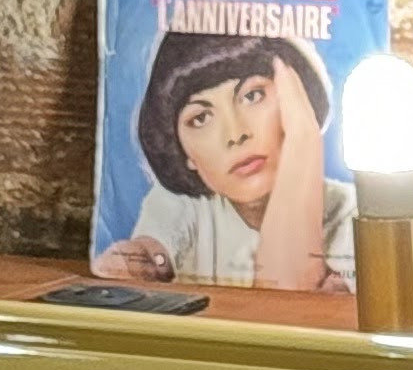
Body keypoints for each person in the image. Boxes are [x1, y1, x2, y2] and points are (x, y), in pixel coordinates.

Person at [96, 32, 355, 292]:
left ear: (296, 100)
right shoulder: (184, 204)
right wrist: (137, 262)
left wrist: (303, 137)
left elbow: (285, 293)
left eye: (252, 95)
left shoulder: (352, 214)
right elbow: (150, 253)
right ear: (184, 152)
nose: (235, 134)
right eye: (201, 118)